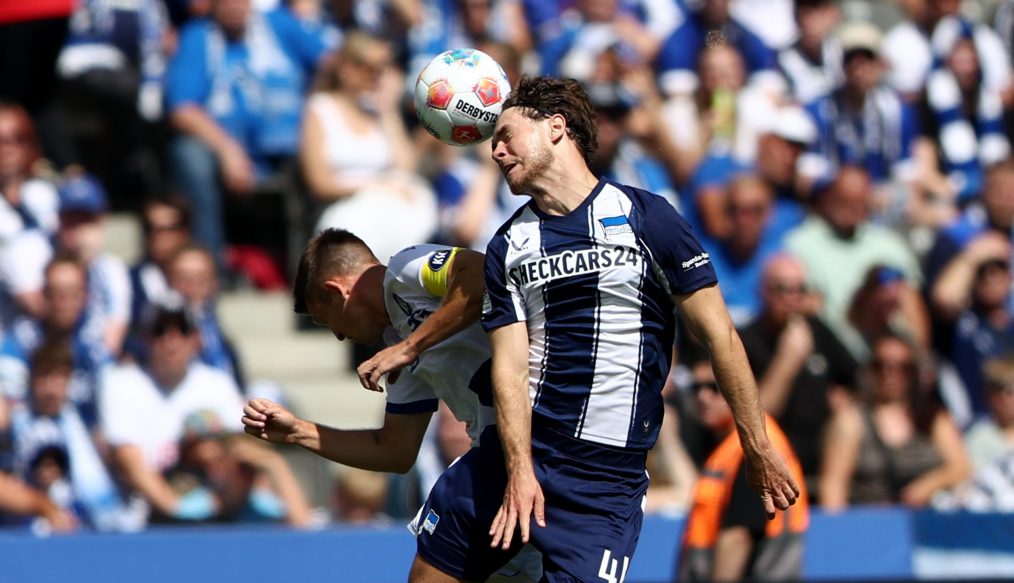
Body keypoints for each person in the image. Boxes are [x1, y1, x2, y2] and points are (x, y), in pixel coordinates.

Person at [403, 75, 797, 582]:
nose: (495, 152)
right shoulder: (509, 244)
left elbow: (720, 336)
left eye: (504, 135)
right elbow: (510, 363)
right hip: (514, 460)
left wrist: (757, 445)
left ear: (556, 128)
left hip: (602, 483)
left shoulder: (646, 218)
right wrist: (519, 469)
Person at [240, 228, 542, 581]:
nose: (338, 336)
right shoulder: (397, 345)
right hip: (508, 457)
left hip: (532, 440)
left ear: (336, 291)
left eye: (327, 321)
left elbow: (479, 274)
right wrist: (298, 432)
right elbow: (395, 451)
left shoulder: (403, 272)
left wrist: (410, 347)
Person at [678, 357, 809, 582]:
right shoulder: (730, 444)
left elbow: (738, 537)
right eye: (696, 387)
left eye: (714, 387)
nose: (702, 396)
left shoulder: (753, 450)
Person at [738, 254, 857, 499]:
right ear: (763, 292)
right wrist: (788, 360)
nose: (792, 298)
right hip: (770, 455)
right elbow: (758, 419)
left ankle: (834, 517)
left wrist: (843, 397)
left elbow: (857, 379)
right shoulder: (745, 341)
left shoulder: (817, 330)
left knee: (849, 420)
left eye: (800, 290)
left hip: (820, 454)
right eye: (782, 290)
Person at [819, 333, 971, 510]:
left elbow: (962, 468)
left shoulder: (934, 418)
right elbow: (833, 484)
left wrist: (929, 484)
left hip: (927, 523)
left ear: (914, 373)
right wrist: (836, 530)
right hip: (869, 522)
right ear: (869, 371)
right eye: (880, 366)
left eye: (902, 367)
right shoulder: (851, 420)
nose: (890, 374)